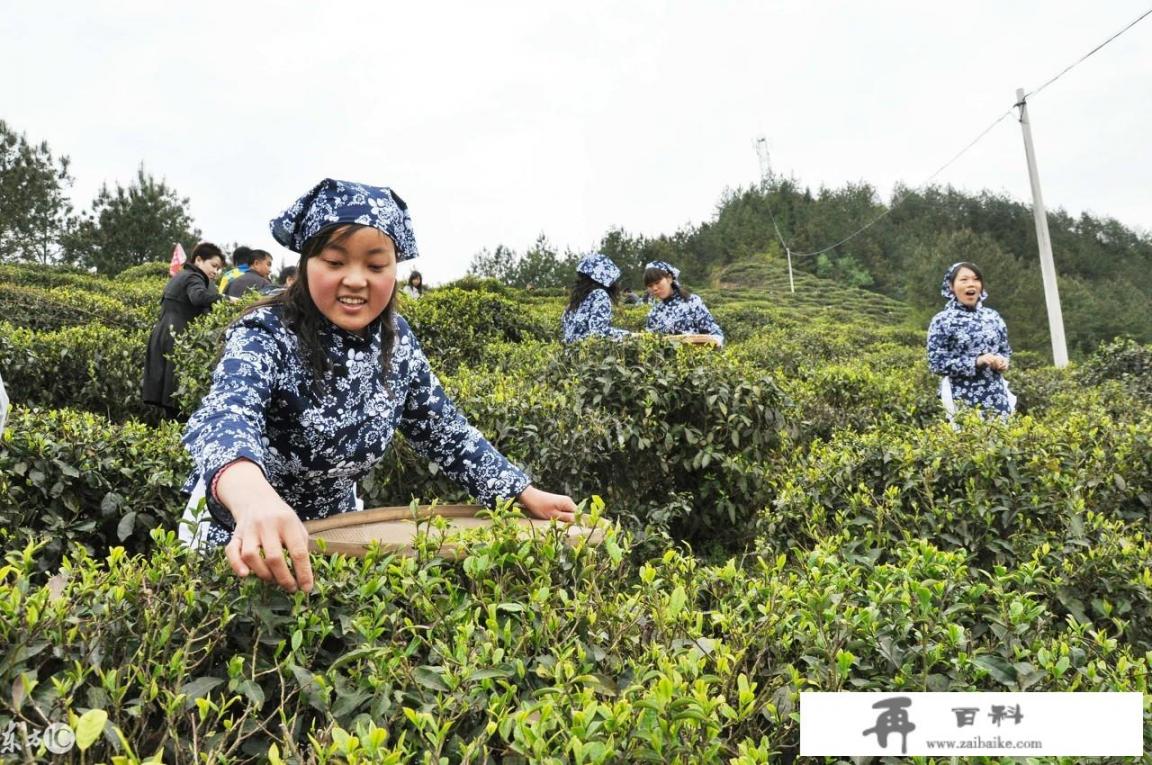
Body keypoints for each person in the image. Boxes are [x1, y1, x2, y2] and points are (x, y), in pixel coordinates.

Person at [181, 178, 577, 594]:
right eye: (334, 262)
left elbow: (445, 431)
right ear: (305, 265)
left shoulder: (395, 340)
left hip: (337, 536)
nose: (355, 280)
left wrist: (518, 490)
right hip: (244, 537)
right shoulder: (267, 332)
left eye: (375, 266)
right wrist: (252, 498)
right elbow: (227, 414)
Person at [142, 243, 228, 418]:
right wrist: (227, 299)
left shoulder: (183, 275)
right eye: (213, 265)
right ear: (198, 260)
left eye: (218, 268)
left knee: (169, 397)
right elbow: (198, 297)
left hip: (165, 333)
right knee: (176, 397)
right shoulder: (193, 277)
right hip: (178, 337)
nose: (215, 272)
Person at [927, 261, 1015, 419]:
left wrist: (1002, 361)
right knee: (967, 441)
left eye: (976, 279)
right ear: (951, 286)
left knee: (1000, 440)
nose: (971, 284)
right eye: (964, 280)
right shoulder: (942, 320)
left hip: (996, 394)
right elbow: (936, 362)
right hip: (960, 395)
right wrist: (976, 361)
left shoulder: (993, 317)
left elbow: (1004, 349)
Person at [643, 260, 724, 344]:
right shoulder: (654, 312)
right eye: (650, 286)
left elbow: (715, 334)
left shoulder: (692, 302)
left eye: (657, 282)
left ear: (669, 278)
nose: (655, 288)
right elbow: (649, 342)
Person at [561, 253, 631, 344]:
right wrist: (629, 335)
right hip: (586, 353)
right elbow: (598, 332)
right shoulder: (600, 295)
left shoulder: (576, 300)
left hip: (570, 353)